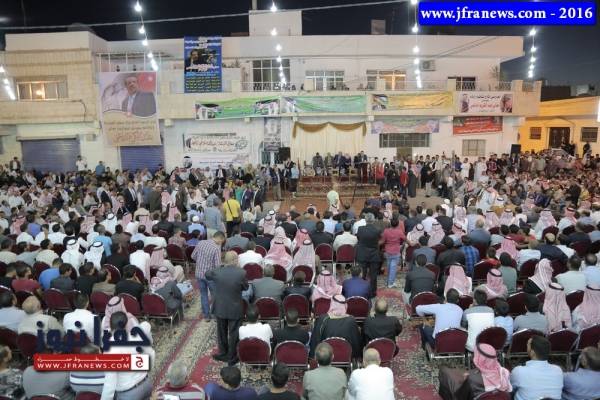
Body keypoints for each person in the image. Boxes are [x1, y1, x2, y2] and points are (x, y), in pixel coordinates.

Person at [206, 251, 248, 366]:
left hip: (220, 307)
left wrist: (221, 266)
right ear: (235, 260)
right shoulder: (241, 272)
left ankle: (223, 353)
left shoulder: (217, 272)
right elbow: (245, 287)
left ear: (225, 261)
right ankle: (232, 357)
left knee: (221, 332)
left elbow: (207, 274)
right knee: (234, 333)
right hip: (235, 307)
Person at [101, 311, 154, 399]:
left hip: (128, 393)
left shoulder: (110, 348)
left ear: (110, 326)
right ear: (126, 324)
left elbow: (110, 381)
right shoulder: (137, 337)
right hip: (146, 384)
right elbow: (151, 354)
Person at [438, 343, 512, 400]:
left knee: (444, 373)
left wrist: (465, 381)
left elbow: (460, 396)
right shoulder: (504, 372)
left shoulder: (472, 379)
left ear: (480, 359)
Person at [510, 336, 563, 400]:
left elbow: (510, 388)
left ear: (532, 353)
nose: (526, 347)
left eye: (527, 345)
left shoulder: (519, 371)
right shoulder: (558, 370)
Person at [192, 231, 226, 320]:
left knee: (203, 294)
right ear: (220, 239)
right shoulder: (216, 248)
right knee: (214, 295)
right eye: (222, 241)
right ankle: (214, 314)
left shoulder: (200, 243)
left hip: (199, 273)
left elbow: (193, 256)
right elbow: (217, 266)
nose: (221, 243)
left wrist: (201, 262)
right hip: (210, 276)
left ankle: (206, 315)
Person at [356, 213, 382, 296]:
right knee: (373, 275)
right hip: (374, 255)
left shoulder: (360, 229)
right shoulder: (377, 230)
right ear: (373, 220)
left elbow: (359, 239)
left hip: (362, 254)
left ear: (366, 220)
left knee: (362, 274)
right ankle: (373, 292)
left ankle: (361, 291)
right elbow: (378, 240)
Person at [380, 218, 405, 288]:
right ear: (397, 224)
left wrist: (376, 244)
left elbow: (382, 241)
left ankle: (389, 280)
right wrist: (410, 243)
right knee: (393, 268)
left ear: (390, 223)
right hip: (396, 251)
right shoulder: (399, 231)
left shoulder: (386, 231)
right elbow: (405, 238)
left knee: (389, 266)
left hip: (388, 251)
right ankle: (390, 283)